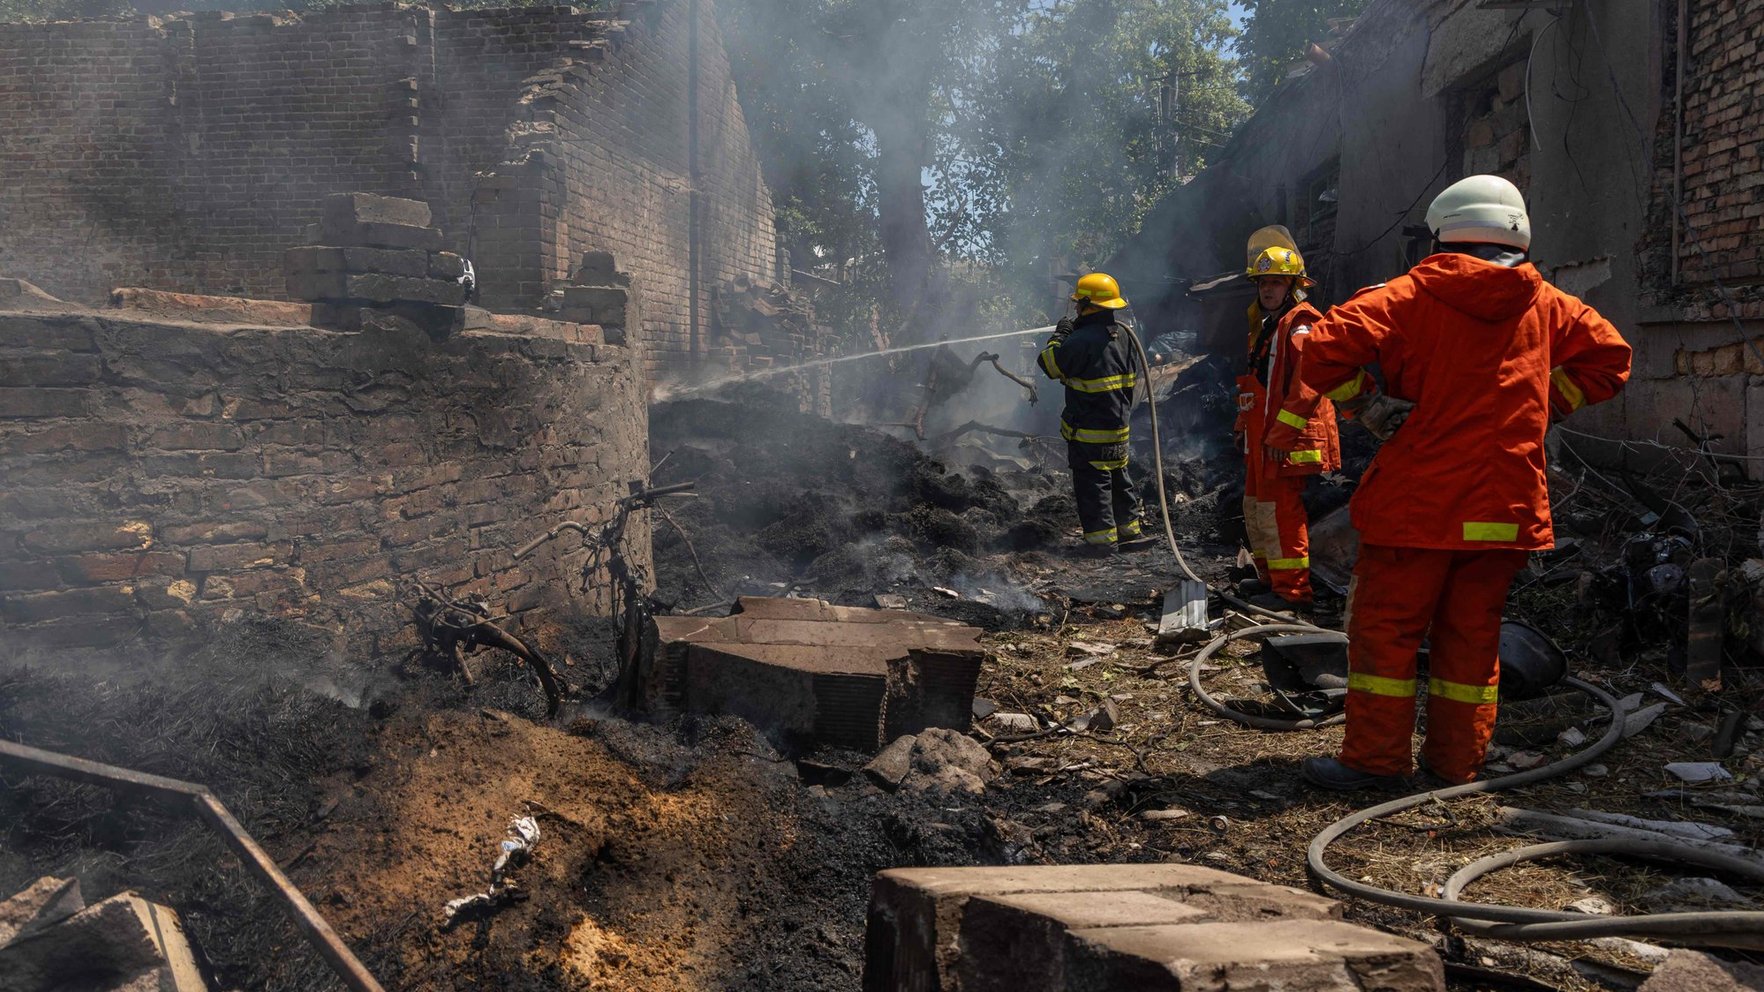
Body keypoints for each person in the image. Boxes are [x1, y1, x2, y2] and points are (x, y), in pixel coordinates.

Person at [1294, 175, 1632, 791]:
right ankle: (1456, 765)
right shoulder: (1551, 304)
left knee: (1387, 635)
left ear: (1444, 234)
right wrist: (1543, 403)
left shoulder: (1408, 294)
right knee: (1473, 643)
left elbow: (1320, 348)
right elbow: (1611, 358)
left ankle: (1375, 762)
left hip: (1417, 507)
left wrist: (1365, 404)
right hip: (1501, 505)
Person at [1234, 241, 1341, 607]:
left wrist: (1282, 433)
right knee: (1257, 509)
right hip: (1261, 437)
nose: (1268, 289)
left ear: (1294, 285)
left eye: (1277, 282)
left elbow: (1308, 385)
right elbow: (1257, 384)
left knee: (1281, 513)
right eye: (1263, 282)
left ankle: (1293, 591)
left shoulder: (1301, 324)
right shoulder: (1267, 326)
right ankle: (1270, 579)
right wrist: (1241, 426)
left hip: (1285, 438)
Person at [1037, 272, 1145, 553]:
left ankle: (1101, 543)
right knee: (1120, 479)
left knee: (1093, 485)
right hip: (1119, 428)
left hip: (1088, 431)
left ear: (1088, 305)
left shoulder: (1080, 340)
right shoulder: (1125, 337)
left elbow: (1049, 365)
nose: (1074, 308)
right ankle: (1129, 533)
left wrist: (1059, 336)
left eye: (1078, 304)